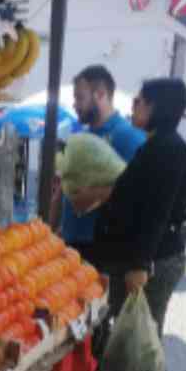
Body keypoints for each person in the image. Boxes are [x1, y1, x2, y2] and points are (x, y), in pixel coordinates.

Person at [78, 78, 186, 371]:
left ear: (158, 106)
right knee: (125, 336)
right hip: (139, 256)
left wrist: (141, 264)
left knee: (144, 339)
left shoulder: (169, 150)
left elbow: (158, 214)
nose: (134, 108)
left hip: (155, 260)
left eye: (140, 101)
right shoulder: (155, 146)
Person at [50, 65, 147, 265]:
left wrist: (93, 196)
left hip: (102, 248)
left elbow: (139, 189)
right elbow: (64, 186)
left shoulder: (128, 137)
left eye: (80, 98)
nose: (75, 104)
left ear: (100, 94)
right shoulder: (82, 136)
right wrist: (51, 230)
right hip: (70, 242)